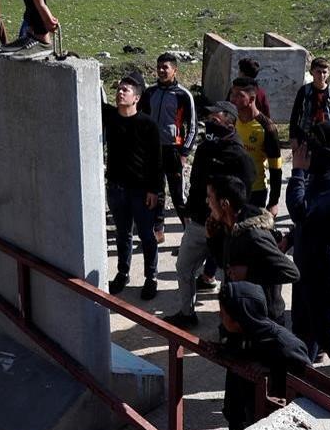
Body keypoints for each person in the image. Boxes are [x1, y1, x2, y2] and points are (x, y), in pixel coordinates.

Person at [163, 102, 255, 329]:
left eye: (215, 120)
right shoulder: (205, 148)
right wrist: (189, 211)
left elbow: (244, 195)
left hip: (224, 228)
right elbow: (195, 183)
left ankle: (231, 322)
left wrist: (228, 221)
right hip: (197, 223)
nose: (210, 125)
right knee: (184, 267)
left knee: (229, 278)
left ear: (229, 123)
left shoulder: (239, 155)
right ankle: (187, 313)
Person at [203, 281, 309, 430]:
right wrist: (221, 351)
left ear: (241, 316)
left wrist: (268, 370)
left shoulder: (285, 345)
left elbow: (305, 384)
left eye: (224, 313)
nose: (219, 315)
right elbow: (236, 352)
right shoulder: (239, 332)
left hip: (275, 412)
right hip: (245, 400)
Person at [286, 121, 330, 374]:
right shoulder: (321, 174)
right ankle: (303, 382)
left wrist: (296, 172)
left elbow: (300, 210)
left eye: (315, 142)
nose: (308, 147)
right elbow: (313, 219)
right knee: (303, 332)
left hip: (328, 274)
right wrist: (290, 239)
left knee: (329, 336)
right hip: (309, 268)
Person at [101, 72, 164, 300]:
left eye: (125, 90)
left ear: (136, 98)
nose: (119, 92)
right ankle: (123, 272)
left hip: (141, 191)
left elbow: (157, 162)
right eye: (118, 89)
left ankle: (151, 277)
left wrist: (154, 191)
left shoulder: (147, 124)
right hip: (116, 189)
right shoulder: (109, 117)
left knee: (147, 235)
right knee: (122, 234)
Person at [205, 175, 299, 323]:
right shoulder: (229, 226)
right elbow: (225, 265)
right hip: (243, 313)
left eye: (210, 197)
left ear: (224, 204)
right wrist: (212, 239)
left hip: (265, 318)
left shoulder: (254, 235)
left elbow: (291, 273)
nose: (208, 203)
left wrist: (249, 272)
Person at [139, 52, 196, 243]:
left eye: (166, 67)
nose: (162, 71)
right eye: (159, 67)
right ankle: (158, 230)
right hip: (152, 151)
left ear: (175, 70)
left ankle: (189, 233)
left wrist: (184, 153)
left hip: (173, 150)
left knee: (178, 195)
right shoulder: (150, 92)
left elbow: (193, 126)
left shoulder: (183, 94)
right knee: (156, 191)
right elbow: (141, 120)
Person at [230, 77, 283, 213]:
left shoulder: (267, 128)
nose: (233, 99)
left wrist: (273, 202)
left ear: (252, 99)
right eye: (232, 94)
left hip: (255, 192)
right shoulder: (230, 121)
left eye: (239, 96)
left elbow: (275, 168)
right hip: (231, 188)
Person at [289, 58, 330, 145]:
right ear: (312, 72)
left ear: (328, 73)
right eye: (318, 72)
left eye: (324, 72)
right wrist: (293, 137)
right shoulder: (304, 91)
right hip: (305, 134)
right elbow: (295, 114)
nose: (322, 75)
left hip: (326, 134)